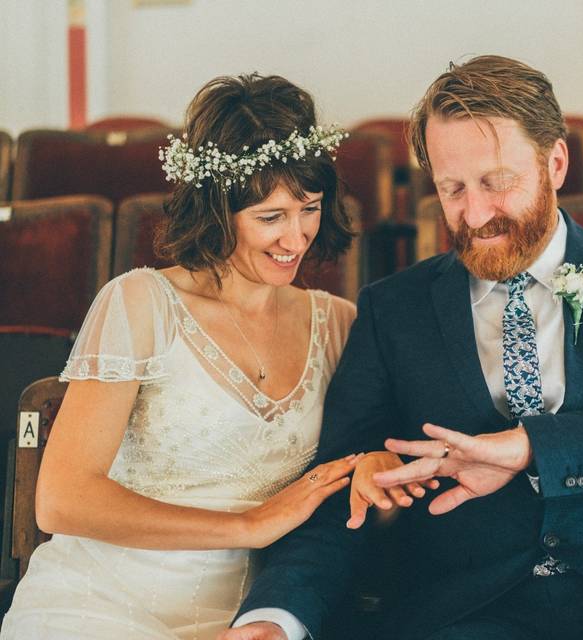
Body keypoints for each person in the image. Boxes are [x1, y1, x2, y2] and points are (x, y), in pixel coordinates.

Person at [227, 55, 583, 640]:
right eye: (452, 188)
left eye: (496, 183)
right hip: (467, 609)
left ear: (555, 163)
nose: (474, 214)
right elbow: (340, 486)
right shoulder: (392, 309)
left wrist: (531, 448)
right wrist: (278, 616)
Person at [0, 74, 363, 640]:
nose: (297, 238)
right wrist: (250, 524)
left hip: (257, 618)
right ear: (220, 209)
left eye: (309, 209)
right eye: (271, 217)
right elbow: (61, 500)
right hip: (102, 604)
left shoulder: (338, 322)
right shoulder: (141, 302)